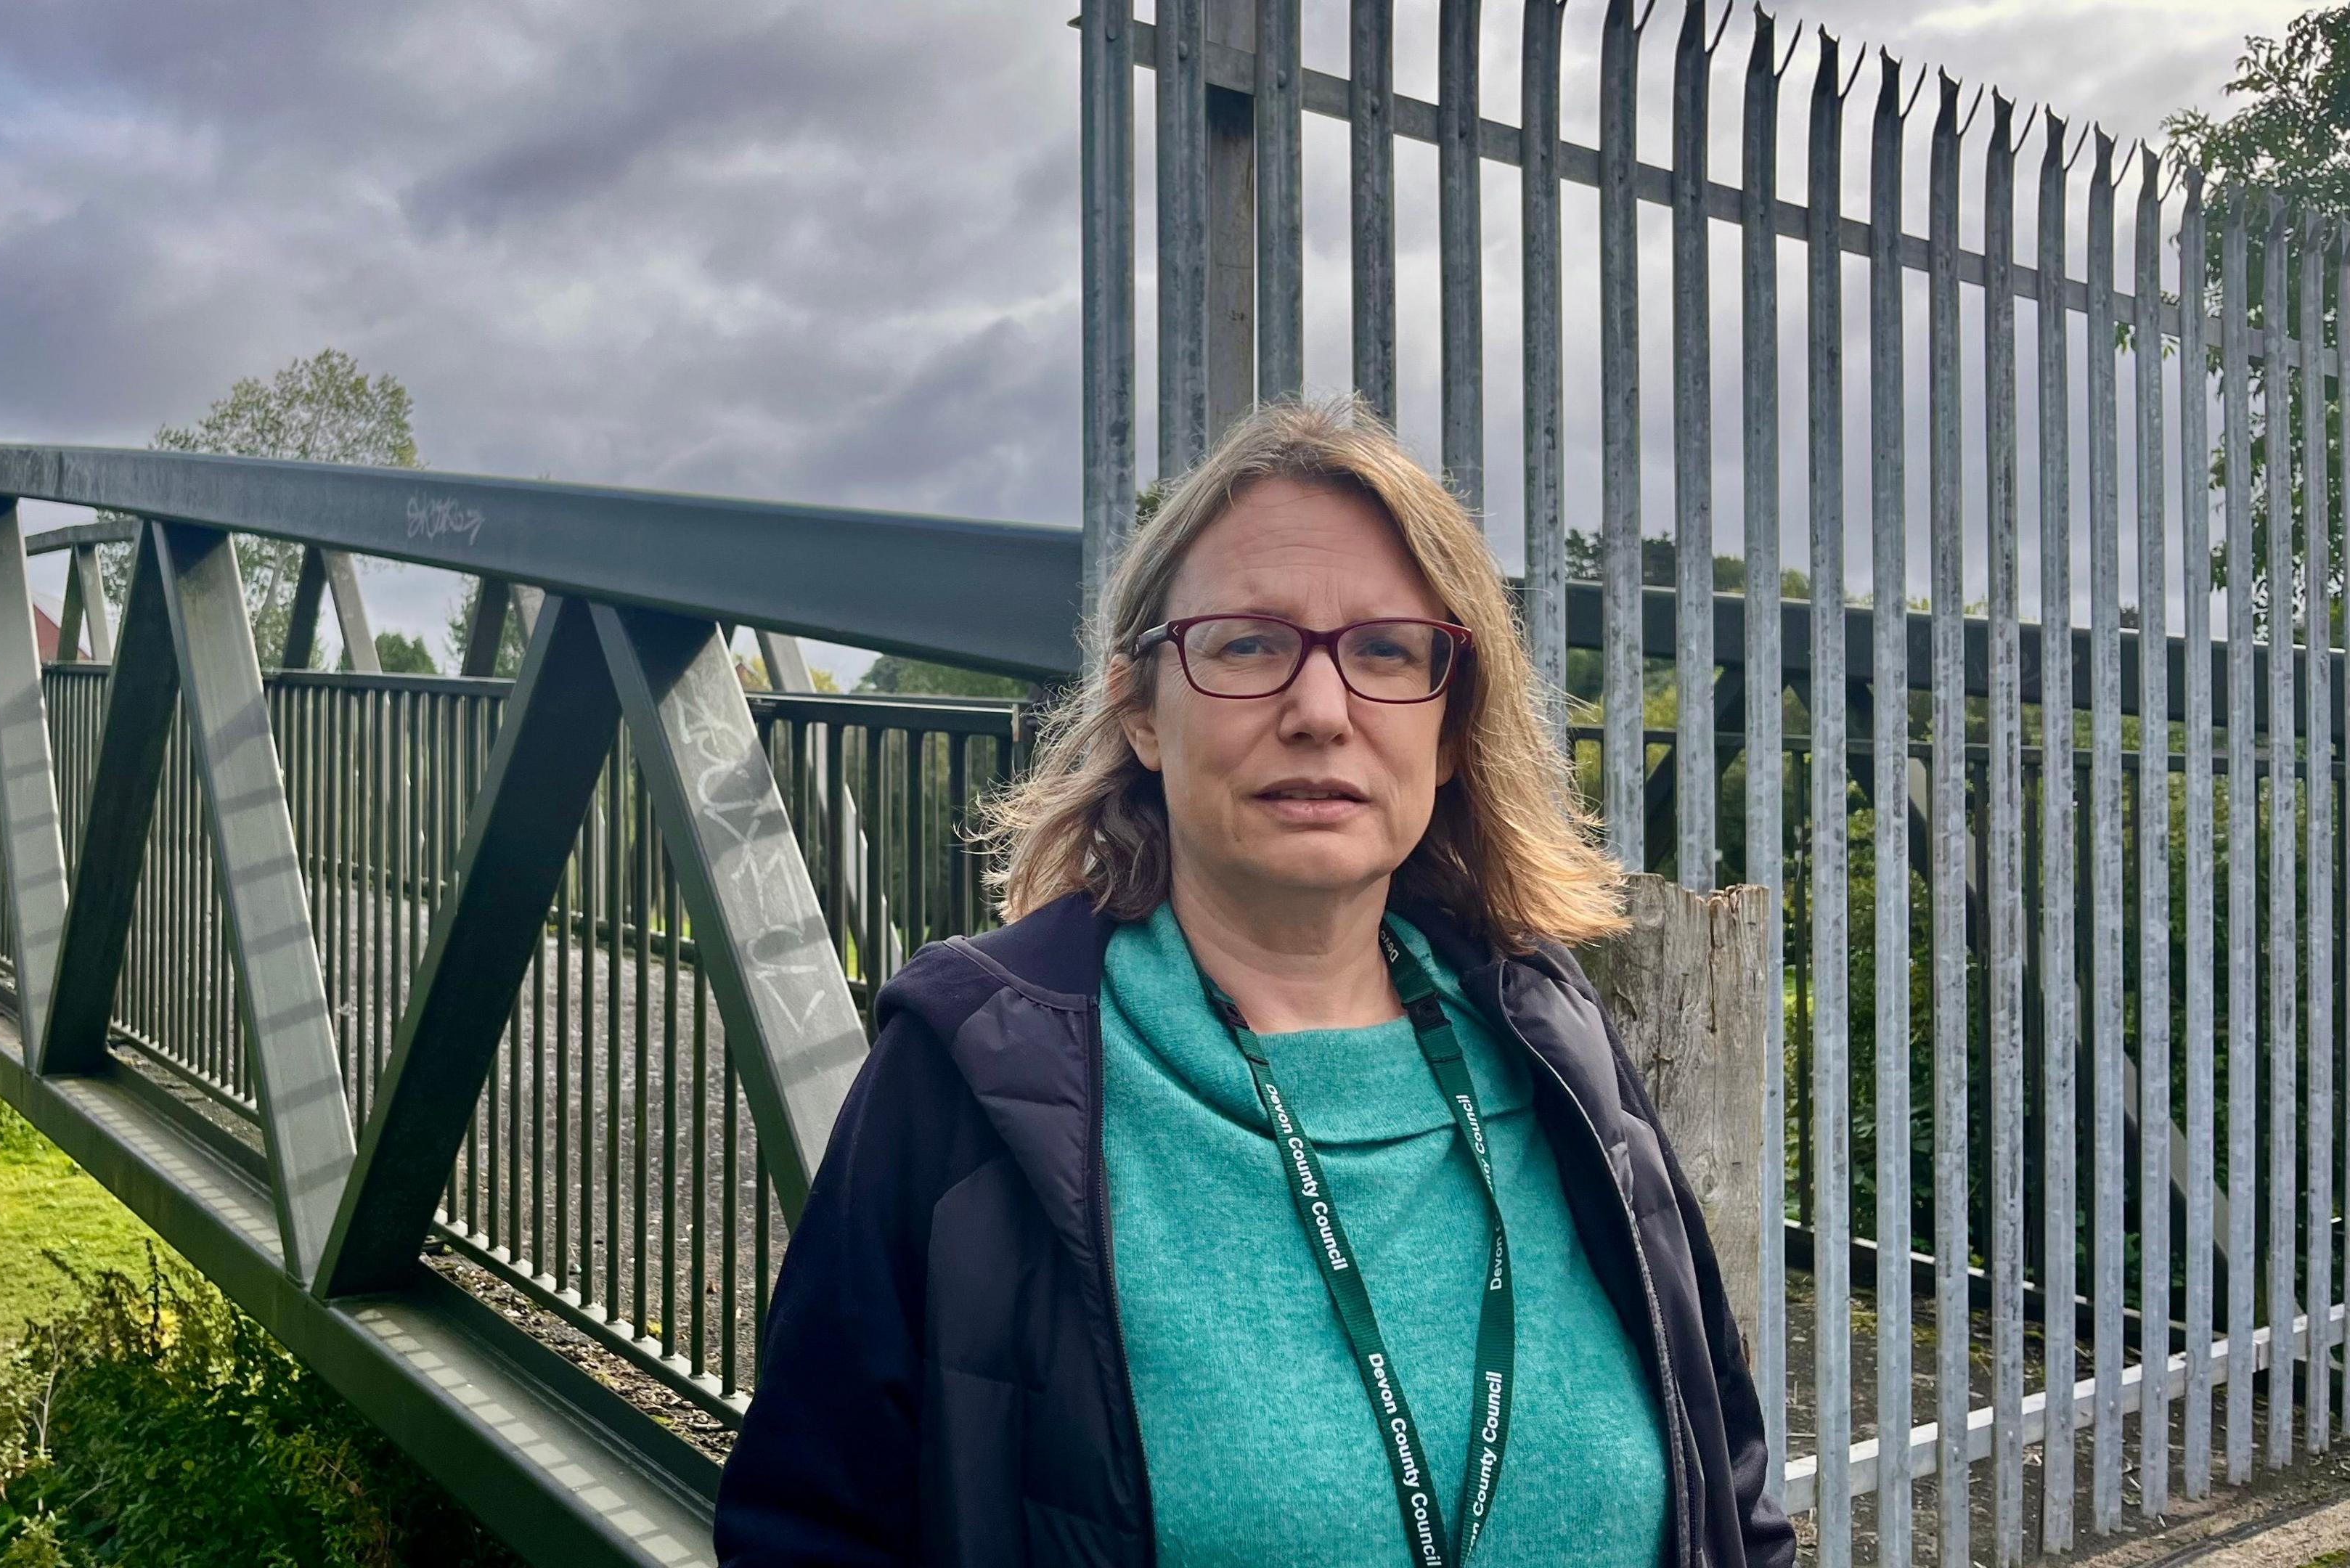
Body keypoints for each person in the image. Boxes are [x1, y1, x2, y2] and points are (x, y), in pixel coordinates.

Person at [714, 396, 1794, 1568]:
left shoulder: (1553, 1040)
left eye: (1387, 650)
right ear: (1139, 709)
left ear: (1447, 726)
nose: (1321, 711)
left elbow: (1729, 1493)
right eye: (1247, 644)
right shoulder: (965, 1072)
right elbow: (810, 1534)